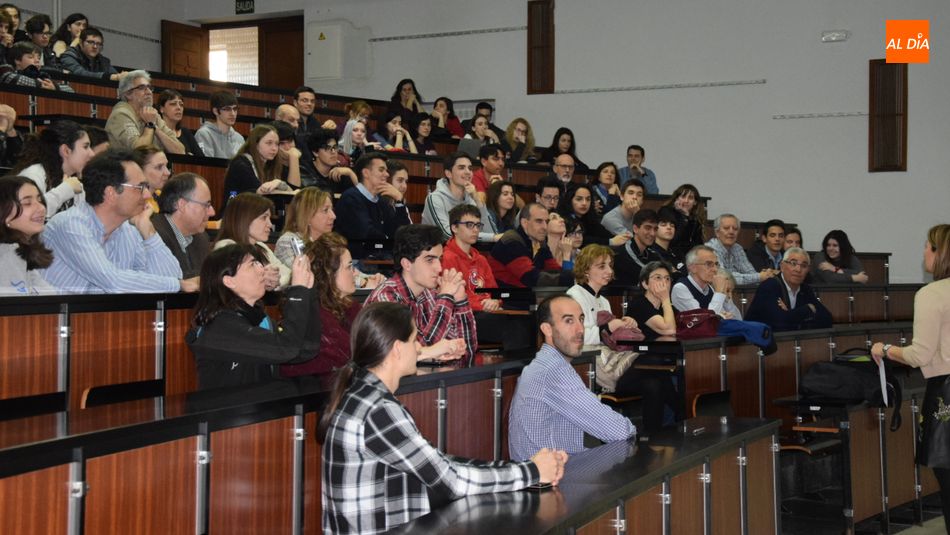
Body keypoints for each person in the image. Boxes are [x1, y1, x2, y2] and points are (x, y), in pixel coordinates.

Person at [319, 301, 566, 533]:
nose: (419, 347)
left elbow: (437, 464)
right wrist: (531, 472)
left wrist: (521, 468)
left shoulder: (363, 395)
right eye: (415, 339)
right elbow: (451, 481)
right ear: (397, 349)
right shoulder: (378, 410)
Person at [870, 224, 950, 533]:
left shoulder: (931, 294)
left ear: (939, 253)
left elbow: (920, 355)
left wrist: (884, 348)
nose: (923, 253)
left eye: (927, 247)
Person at [41, 149, 196, 294]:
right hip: (44, 320)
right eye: (140, 187)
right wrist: (179, 284)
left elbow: (173, 277)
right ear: (111, 192)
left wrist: (148, 231)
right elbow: (113, 281)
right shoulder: (70, 225)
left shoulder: (128, 230)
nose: (147, 194)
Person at [508, 294, 636, 460]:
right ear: (547, 329)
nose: (580, 329)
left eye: (581, 320)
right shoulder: (552, 371)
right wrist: (632, 429)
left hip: (550, 470)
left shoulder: (546, 364)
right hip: (549, 480)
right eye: (569, 321)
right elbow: (619, 431)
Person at [568, 249, 682, 433]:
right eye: (602, 266)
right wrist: (608, 328)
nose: (609, 271)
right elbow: (574, 336)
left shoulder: (603, 300)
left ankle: (653, 440)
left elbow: (611, 338)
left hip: (611, 358)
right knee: (654, 360)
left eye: (610, 266)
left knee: (654, 383)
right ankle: (683, 413)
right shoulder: (574, 295)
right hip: (591, 364)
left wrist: (626, 324)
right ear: (586, 270)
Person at [186, 243, 319, 390]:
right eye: (252, 264)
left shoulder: (258, 318)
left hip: (259, 409)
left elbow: (305, 350)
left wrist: (309, 292)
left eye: (258, 263)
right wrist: (297, 292)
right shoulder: (219, 326)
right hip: (228, 412)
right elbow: (286, 348)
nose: (262, 269)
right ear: (229, 281)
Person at [365, 224, 478, 361]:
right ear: (407, 264)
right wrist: (446, 298)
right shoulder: (385, 298)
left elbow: (468, 350)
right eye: (430, 260)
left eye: (440, 259)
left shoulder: (430, 294)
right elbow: (415, 352)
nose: (439, 268)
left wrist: (460, 300)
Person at [281, 232, 361, 378]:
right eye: (349, 267)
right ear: (329, 273)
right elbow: (351, 353)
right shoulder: (314, 311)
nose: (355, 273)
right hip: (309, 393)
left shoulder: (349, 306)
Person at [334, 152, 411, 259]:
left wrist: (399, 201)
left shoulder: (382, 201)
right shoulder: (351, 198)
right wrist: (392, 242)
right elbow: (367, 236)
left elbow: (403, 234)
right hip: (356, 262)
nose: (387, 174)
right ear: (366, 173)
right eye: (381, 170)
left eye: (386, 170)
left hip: (380, 260)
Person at [11, 120, 92, 213]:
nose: (92, 153)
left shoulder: (74, 182)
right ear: (66, 150)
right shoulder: (33, 174)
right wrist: (65, 190)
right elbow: (25, 215)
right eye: (85, 147)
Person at [213, 192, 290, 290]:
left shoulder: (261, 246)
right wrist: (262, 278)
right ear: (244, 218)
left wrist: (273, 280)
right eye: (264, 218)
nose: (270, 224)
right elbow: (239, 284)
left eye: (269, 218)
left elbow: (287, 273)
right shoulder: (225, 247)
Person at [744, 248, 833, 330]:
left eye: (804, 265)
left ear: (808, 270)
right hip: (755, 344)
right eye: (793, 263)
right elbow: (779, 324)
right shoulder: (769, 286)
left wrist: (789, 314)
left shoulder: (805, 289)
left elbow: (827, 319)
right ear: (782, 266)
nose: (798, 269)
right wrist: (808, 309)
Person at [489, 203, 574, 288]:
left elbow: (554, 269)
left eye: (547, 221)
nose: (545, 227)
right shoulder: (511, 240)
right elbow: (531, 278)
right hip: (502, 297)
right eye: (539, 221)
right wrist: (567, 278)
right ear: (524, 222)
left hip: (525, 296)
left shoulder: (540, 242)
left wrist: (568, 277)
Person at [104, 70, 185, 154]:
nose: (149, 92)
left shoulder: (153, 115)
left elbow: (180, 151)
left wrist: (155, 128)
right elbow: (139, 152)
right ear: (128, 94)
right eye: (142, 88)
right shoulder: (121, 114)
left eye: (149, 88)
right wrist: (150, 125)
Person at [151, 172, 213, 279]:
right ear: (182, 205)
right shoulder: (153, 235)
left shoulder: (201, 238)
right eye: (206, 205)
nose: (212, 212)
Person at [0, 175, 55, 295]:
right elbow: (18, 309)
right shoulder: (7, 254)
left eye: (40, 200)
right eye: (27, 203)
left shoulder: (19, 251)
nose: (41, 207)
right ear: (4, 213)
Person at [422, 151, 492, 241]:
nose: (468, 172)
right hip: (437, 252)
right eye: (461, 168)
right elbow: (447, 235)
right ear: (448, 173)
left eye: (470, 168)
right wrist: (492, 237)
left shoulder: (471, 200)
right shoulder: (435, 199)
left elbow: (489, 232)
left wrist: (478, 201)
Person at [222, 124, 292, 206]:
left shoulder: (271, 164)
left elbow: (291, 193)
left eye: (276, 144)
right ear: (255, 144)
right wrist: (277, 183)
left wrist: (278, 183)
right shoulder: (241, 163)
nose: (274, 148)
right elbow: (261, 192)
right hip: (235, 215)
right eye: (269, 143)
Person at [706, 213, 776, 286]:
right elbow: (724, 277)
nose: (731, 232)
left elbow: (751, 272)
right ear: (717, 232)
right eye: (726, 228)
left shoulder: (738, 248)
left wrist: (763, 275)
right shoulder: (709, 249)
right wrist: (759, 277)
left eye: (735, 229)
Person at [558, 182, 626, 247]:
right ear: (570, 200)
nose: (584, 203)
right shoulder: (563, 220)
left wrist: (621, 238)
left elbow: (606, 235)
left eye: (588, 199)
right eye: (579, 199)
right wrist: (610, 241)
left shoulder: (589, 218)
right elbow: (582, 240)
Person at [671, 245, 731, 316]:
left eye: (716, 264)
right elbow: (703, 320)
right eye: (709, 264)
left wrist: (726, 297)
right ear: (693, 268)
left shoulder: (710, 288)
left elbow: (734, 316)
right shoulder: (680, 288)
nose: (715, 269)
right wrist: (719, 293)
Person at [628, 261, 677, 339]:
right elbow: (669, 330)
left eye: (667, 278)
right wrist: (666, 299)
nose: (664, 282)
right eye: (658, 277)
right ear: (645, 284)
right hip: (642, 350)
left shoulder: (668, 307)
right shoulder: (639, 304)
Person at [612, 208, 661, 284]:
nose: (652, 233)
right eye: (648, 228)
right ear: (635, 229)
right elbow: (645, 273)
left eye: (655, 229)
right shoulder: (622, 253)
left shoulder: (652, 253)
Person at [59, 27, 127, 81]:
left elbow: (115, 74)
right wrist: (110, 77)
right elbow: (80, 74)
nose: (95, 47)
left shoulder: (102, 60)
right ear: (80, 42)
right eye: (91, 42)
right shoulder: (69, 56)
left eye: (98, 44)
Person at [1, 41, 73, 91]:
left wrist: (55, 87)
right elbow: (9, 77)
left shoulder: (41, 75)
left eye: (38, 58)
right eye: (31, 57)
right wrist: (41, 85)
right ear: (17, 60)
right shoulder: (11, 73)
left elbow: (70, 90)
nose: (37, 60)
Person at [195, 91, 244, 159]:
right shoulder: (204, 134)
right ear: (215, 111)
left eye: (235, 109)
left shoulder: (239, 138)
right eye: (227, 109)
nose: (232, 113)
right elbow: (206, 166)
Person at [661, 183, 706, 258]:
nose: (686, 201)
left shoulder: (695, 220)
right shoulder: (666, 211)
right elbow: (674, 240)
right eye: (683, 197)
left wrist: (686, 216)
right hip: (668, 254)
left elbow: (698, 246)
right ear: (676, 198)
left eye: (690, 198)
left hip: (688, 258)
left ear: (695, 202)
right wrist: (684, 216)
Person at [305, 128, 356, 192]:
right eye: (327, 148)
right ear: (315, 152)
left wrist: (350, 173)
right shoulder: (306, 171)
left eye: (335, 147)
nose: (333, 152)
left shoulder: (340, 172)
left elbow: (360, 198)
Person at [157, 90, 203, 156]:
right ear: (161, 109)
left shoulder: (186, 133)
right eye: (173, 104)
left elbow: (201, 160)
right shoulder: (156, 131)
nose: (179, 108)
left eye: (181, 105)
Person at [651, 207, 686, 279]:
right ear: (655, 229)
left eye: (672, 225)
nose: (669, 227)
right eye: (663, 224)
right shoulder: (651, 252)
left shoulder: (677, 253)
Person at [134, 146, 170, 213]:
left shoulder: (163, 197)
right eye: (159, 167)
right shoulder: (135, 205)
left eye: (166, 166)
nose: (168, 173)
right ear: (140, 170)